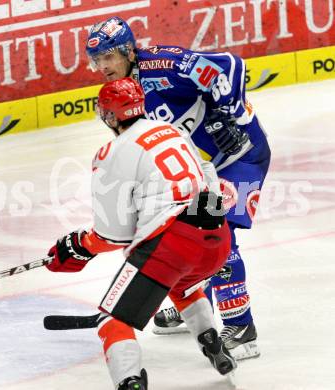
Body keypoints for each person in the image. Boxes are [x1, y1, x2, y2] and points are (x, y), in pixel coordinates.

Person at [85, 16, 271, 361]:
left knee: (219, 231)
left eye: (108, 56)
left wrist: (224, 115)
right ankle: (198, 304)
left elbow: (229, 66)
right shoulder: (129, 92)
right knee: (187, 231)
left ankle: (242, 329)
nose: (102, 66)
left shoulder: (163, 64)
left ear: (127, 50)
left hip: (243, 156)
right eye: (97, 60)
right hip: (206, 167)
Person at [45, 78, 237, 389]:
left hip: (174, 244)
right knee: (183, 285)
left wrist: (79, 245)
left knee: (113, 320)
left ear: (109, 116)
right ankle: (214, 344)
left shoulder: (112, 152)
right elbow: (208, 176)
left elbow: (113, 233)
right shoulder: (175, 130)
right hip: (217, 235)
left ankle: (129, 383)